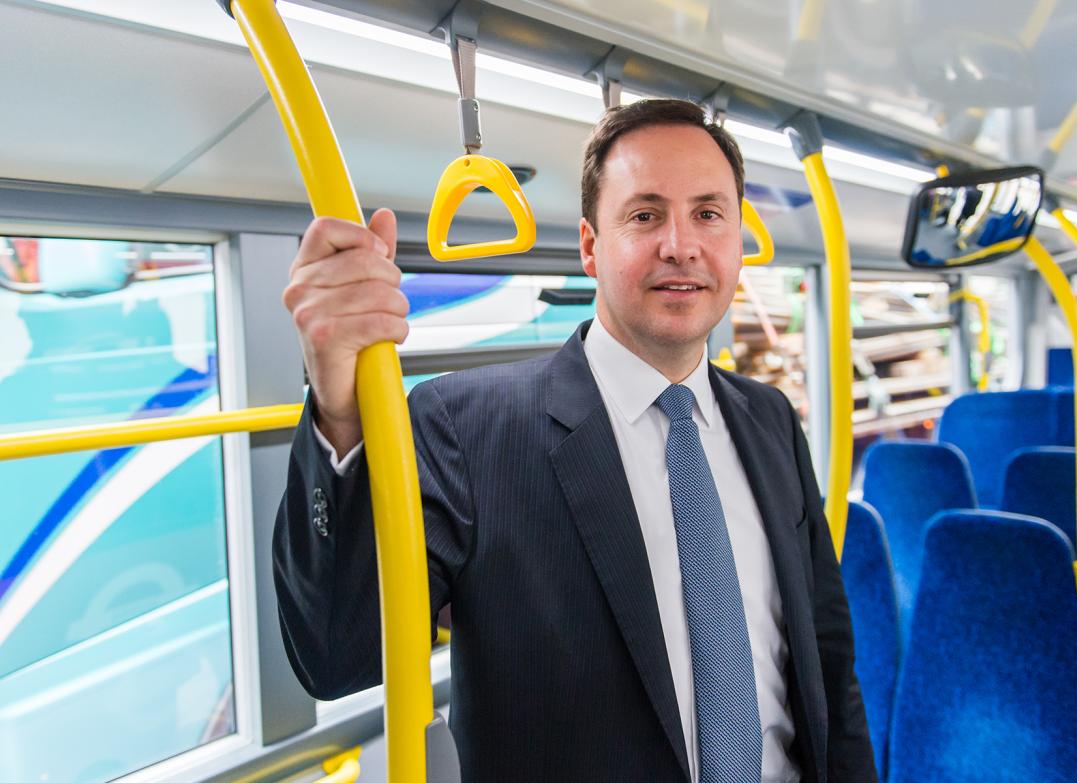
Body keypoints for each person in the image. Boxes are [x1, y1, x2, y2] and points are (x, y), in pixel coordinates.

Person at [274, 98, 876, 783]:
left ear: (737, 238)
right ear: (590, 246)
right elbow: (339, 651)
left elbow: (827, 661)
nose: (680, 243)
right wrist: (340, 409)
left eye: (708, 213)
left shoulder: (770, 419)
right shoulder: (466, 426)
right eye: (645, 215)